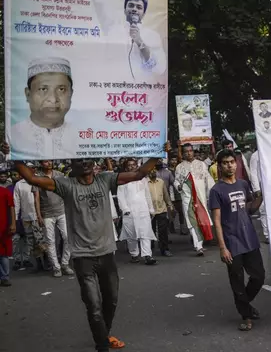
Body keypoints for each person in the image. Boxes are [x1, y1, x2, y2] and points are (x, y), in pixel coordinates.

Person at [14, 149, 167, 352]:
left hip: (107, 253)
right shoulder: (65, 185)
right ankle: (102, 345)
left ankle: (104, 333)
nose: (84, 162)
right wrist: (15, 153)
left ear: (94, 162)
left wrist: (157, 153)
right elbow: (31, 178)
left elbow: (139, 174)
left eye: (87, 159)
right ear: (73, 164)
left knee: (110, 301)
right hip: (82, 257)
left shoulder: (105, 179)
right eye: (79, 160)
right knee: (94, 306)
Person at [209, 149, 265, 331]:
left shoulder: (242, 184)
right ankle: (246, 316)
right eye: (225, 163)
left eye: (232, 162)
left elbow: (250, 209)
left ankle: (245, 305)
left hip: (249, 239)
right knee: (237, 282)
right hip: (232, 243)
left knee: (258, 276)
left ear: (236, 163)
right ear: (220, 166)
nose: (229, 165)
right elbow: (216, 222)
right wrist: (222, 248)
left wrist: (263, 195)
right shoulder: (216, 190)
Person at [90, 0, 167, 81]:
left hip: (140, 93)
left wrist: (140, 42)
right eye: (131, 5)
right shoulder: (112, 27)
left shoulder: (153, 36)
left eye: (139, 7)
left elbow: (159, 69)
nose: (134, 9)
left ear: (144, 13)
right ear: (125, 10)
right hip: (110, 89)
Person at [11, 58, 79, 159]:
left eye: (61, 89)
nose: (53, 99)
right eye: (43, 89)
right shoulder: (13, 135)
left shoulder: (81, 136)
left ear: (71, 94)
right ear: (28, 94)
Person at [34, 160, 73, 278]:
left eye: (50, 161)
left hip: (61, 211)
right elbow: (36, 198)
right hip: (47, 214)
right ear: (41, 163)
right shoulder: (37, 177)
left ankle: (65, 263)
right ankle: (56, 267)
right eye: (46, 161)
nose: (49, 163)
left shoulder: (59, 175)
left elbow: (66, 192)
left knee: (68, 237)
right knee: (50, 241)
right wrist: (39, 215)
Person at [174, 143, 215, 255]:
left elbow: (208, 180)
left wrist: (211, 194)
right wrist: (178, 186)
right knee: (191, 221)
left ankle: (202, 241)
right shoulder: (179, 167)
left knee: (202, 219)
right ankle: (198, 246)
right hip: (187, 198)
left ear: (193, 151)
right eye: (186, 151)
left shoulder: (201, 164)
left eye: (190, 150)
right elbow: (176, 181)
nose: (189, 153)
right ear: (183, 154)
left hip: (201, 197)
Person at [118, 159, 157, 265]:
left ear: (137, 166)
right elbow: (120, 196)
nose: (132, 167)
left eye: (134, 165)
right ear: (126, 168)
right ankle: (134, 254)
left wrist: (151, 209)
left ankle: (147, 255)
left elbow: (147, 194)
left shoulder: (143, 179)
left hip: (143, 210)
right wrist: (125, 209)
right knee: (131, 235)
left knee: (145, 233)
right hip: (129, 211)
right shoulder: (123, 180)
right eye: (129, 165)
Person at [14, 162, 43, 270]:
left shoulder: (38, 180)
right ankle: (36, 262)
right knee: (30, 241)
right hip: (26, 217)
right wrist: (16, 219)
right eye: (30, 168)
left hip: (39, 216)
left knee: (41, 240)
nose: (32, 170)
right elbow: (16, 202)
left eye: (33, 168)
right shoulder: (19, 184)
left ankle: (47, 261)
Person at [148, 168, 174, 257]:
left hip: (161, 209)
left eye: (154, 170)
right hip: (149, 210)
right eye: (151, 170)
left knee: (163, 231)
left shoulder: (161, 182)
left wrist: (169, 204)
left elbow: (165, 194)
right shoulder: (144, 183)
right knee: (150, 231)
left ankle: (165, 249)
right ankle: (149, 250)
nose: (153, 172)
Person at [249, 150, 269, 243]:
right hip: (263, 186)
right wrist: (257, 189)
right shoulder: (255, 155)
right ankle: (267, 234)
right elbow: (253, 172)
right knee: (264, 210)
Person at [0, 184, 16, 287]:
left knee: (3, 254)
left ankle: (5, 277)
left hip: (4, 227)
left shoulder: (5, 192)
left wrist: (13, 223)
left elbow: (11, 207)